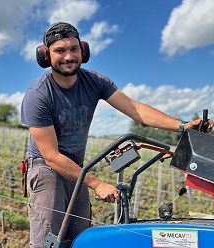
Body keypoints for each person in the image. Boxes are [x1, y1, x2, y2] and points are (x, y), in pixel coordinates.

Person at [21, 22, 213, 248]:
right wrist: (96, 183)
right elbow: (51, 156)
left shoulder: (94, 81)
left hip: (76, 167)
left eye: (73, 49)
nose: (68, 56)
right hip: (46, 168)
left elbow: (135, 109)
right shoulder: (38, 95)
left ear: (83, 50)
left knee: (79, 237)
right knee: (49, 241)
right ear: (45, 56)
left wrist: (182, 126)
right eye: (60, 51)